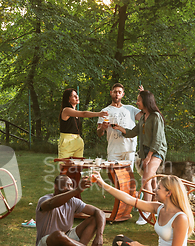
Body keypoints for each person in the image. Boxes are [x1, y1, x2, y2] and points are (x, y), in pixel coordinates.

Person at [54, 172, 194, 246]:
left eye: (159, 188)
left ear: (169, 193)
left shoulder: (180, 218)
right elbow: (128, 199)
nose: (155, 190)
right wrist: (102, 183)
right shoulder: (159, 208)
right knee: (120, 239)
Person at [112, 89, 167, 225]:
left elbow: (158, 138)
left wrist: (149, 156)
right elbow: (133, 132)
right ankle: (156, 208)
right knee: (152, 181)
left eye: (138, 100)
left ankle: (146, 212)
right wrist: (120, 128)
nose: (137, 102)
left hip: (156, 151)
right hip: (146, 152)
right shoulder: (143, 117)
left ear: (146, 102)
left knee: (146, 179)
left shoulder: (155, 116)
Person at [35, 175, 106, 246]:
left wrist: (99, 236)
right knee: (59, 234)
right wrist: (76, 191)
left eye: (71, 186)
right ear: (55, 186)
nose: (69, 188)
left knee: (95, 218)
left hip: (67, 242)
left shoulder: (73, 201)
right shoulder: (45, 200)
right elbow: (50, 204)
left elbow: (99, 212)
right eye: (66, 185)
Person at [96, 83, 144, 170]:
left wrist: (144, 96)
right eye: (115, 92)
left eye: (119, 92)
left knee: (128, 178)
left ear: (123, 94)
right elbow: (99, 133)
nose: (117, 94)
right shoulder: (105, 111)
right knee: (113, 176)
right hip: (113, 150)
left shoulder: (130, 109)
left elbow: (145, 114)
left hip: (129, 149)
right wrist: (103, 127)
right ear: (111, 93)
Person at [58, 88, 108, 159]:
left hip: (78, 141)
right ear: (68, 99)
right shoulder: (66, 110)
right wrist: (99, 114)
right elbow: (84, 114)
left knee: (78, 167)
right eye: (73, 96)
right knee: (65, 167)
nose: (77, 97)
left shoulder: (75, 111)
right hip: (67, 142)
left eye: (77, 95)